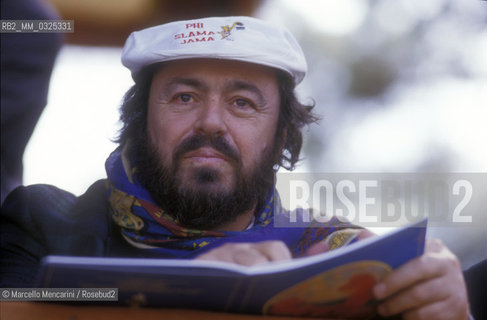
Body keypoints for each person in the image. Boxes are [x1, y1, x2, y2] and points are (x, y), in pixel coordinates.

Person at [1, 16, 471, 320]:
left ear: (282, 135)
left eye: (243, 103)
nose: (210, 121)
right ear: (141, 120)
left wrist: (450, 308)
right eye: (184, 97)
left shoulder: (338, 259)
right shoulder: (42, 220)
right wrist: (193, 292)